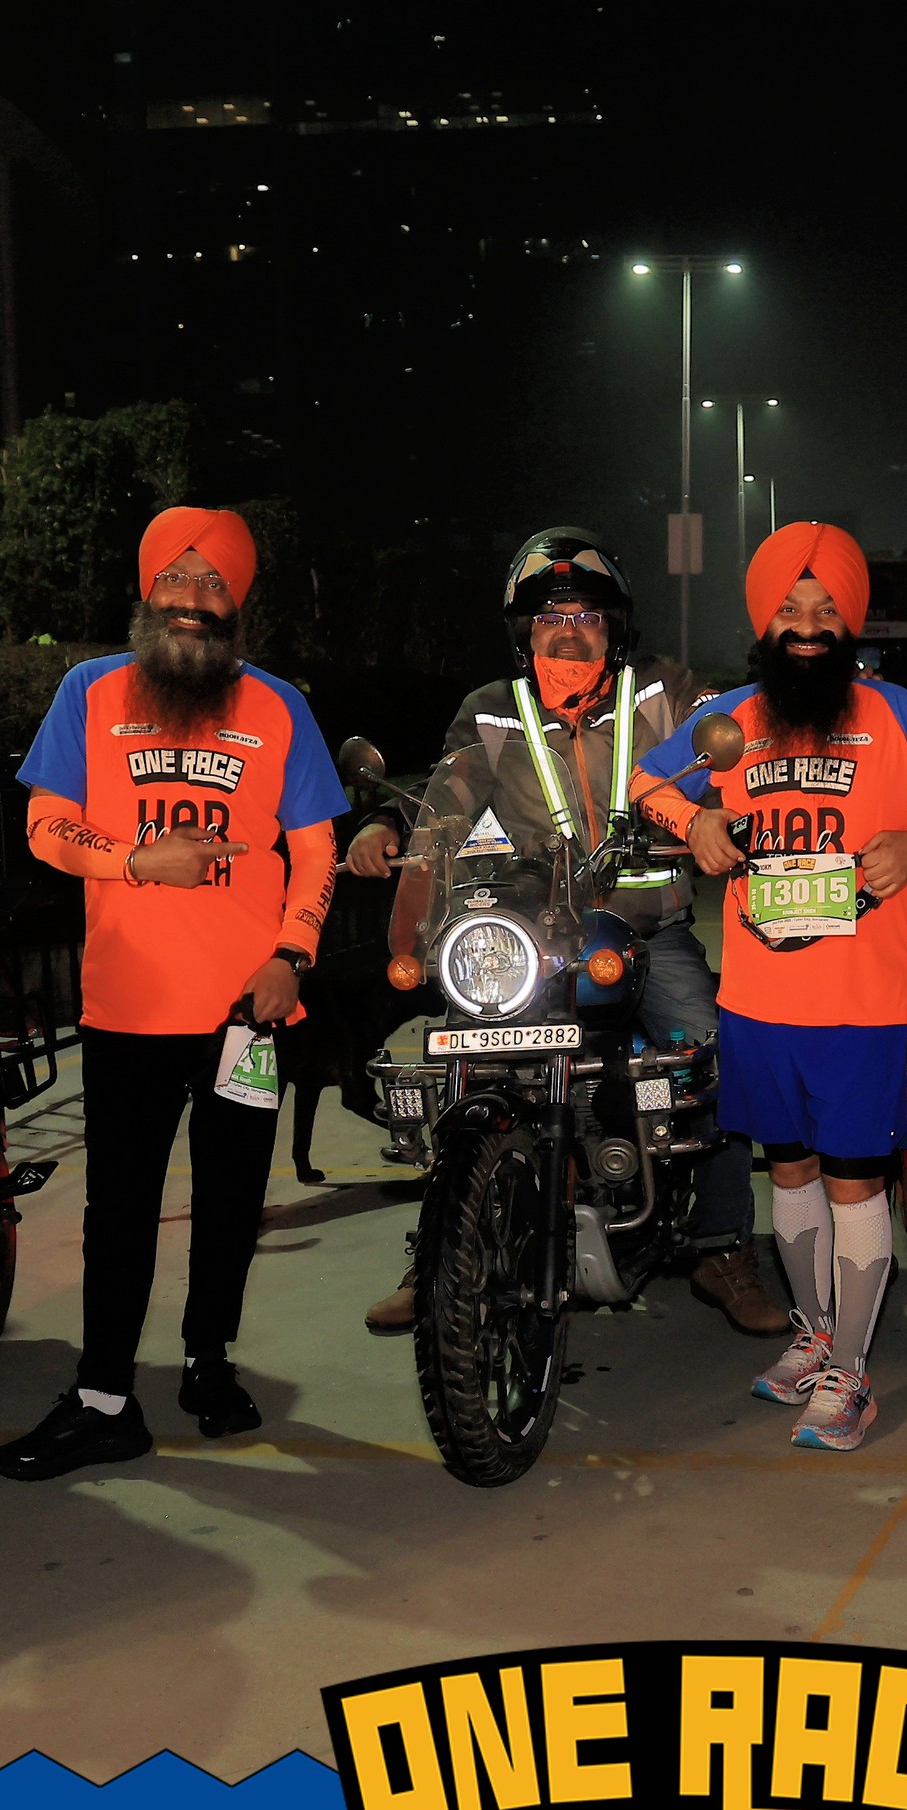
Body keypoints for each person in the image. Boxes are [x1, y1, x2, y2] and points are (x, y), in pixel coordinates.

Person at [346, 527, 787, 1337]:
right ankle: (442, 1247)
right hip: (530, 935)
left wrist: (722, 807)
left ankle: (723, 1247)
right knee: (465, 1058)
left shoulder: (663, 692)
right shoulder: (490, 710)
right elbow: (445, 795)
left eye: (586, 615)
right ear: (525, 632)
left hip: (646, 930)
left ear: (614, 627)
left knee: (716, 1056)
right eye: (550, 617)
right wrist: (385, 824)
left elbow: (729, 740)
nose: (569, 631)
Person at [0, 507, 346, 1480]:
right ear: (148, 593)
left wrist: (292, 956)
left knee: (231, 1203)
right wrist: (139, 858)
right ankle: (105, 1397)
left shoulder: (278, 706)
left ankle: (207, 1364)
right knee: (120, 1211)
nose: (194, 597)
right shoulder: (90, 691)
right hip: (129, 1006)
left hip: (247, 1008)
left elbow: (315, 850)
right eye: (177, 579)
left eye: (214, 581)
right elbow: (46, 825)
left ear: (237, 602)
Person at [631, 522, 907, 1451]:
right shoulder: (730, 718)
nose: (807, 624)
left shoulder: (894, 713)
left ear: (849, 620)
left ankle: (854, 1376)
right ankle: (817, 1334)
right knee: (786, 1169)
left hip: (859, 999)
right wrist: (695, 821)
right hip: (757, 997)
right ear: (765, 620)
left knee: (852, 1181)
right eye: (790, 608)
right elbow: (643, 782)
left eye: (826, 608)